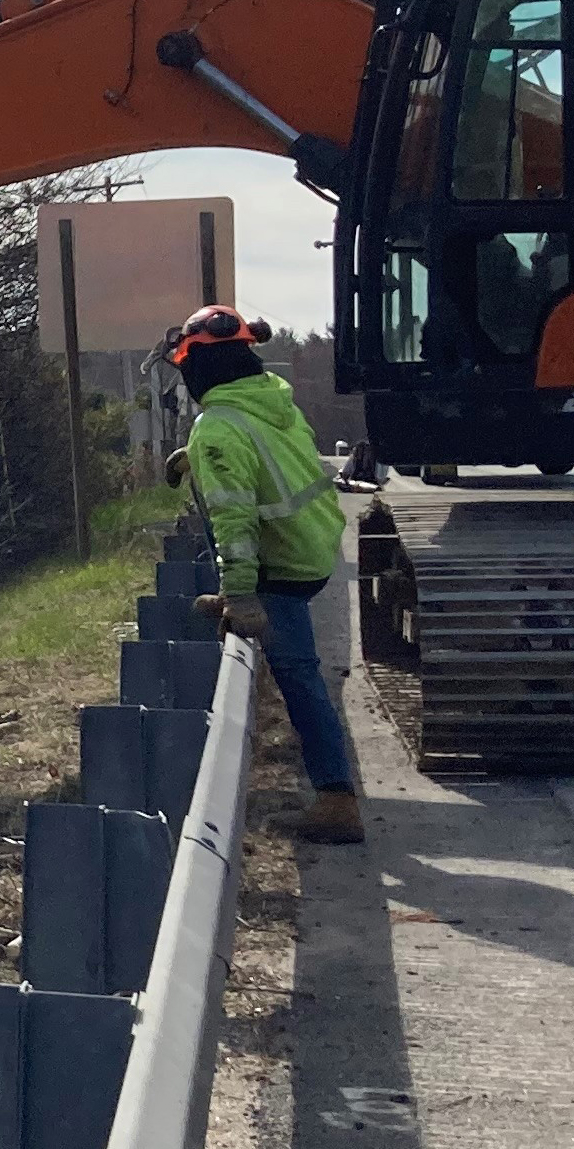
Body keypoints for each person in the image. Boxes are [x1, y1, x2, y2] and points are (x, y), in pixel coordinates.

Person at [167, 304, 364, 844]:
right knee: (300, 671)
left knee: (300, 675)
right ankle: (335, 790)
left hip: (283, 568)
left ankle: (336, 797)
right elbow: (268, 455)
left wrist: (242, 596)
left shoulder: (217, 429)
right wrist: (197, 455)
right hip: (314, 548)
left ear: (196, 369)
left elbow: (235, 525)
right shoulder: (272, 399)